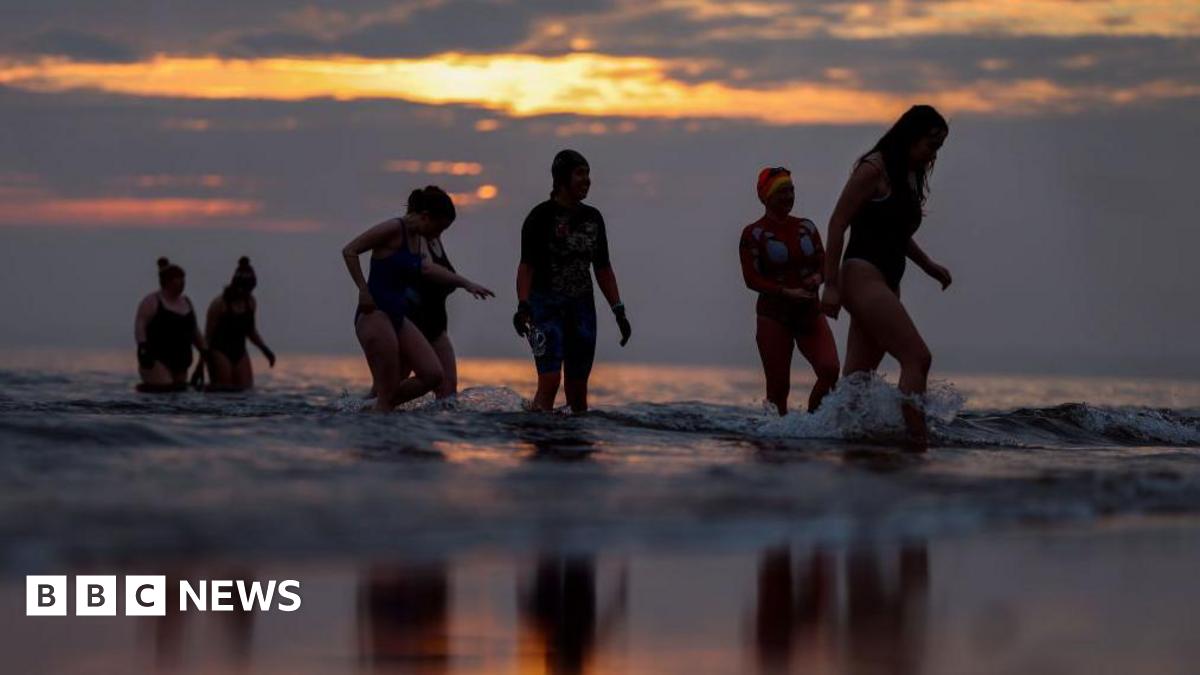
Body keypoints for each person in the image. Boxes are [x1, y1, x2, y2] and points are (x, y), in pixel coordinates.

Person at [820, 105, 952, 450]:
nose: (932, 154)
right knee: (917, 358)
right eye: (930, 145)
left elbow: (895, 232)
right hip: (861, 275)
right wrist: (830, 285)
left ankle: (833, 436)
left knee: (858, 380)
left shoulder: (907, 174)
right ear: (909, 136)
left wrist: (927, 265)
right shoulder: (873, 168)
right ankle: (917, 439)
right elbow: (838, 222)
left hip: (885, 280)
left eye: (938, 148)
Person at [342, 186, 493, 412]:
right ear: (425, 217)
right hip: (375, 315)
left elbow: (427, 269)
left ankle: (364, 408)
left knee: (433, 374)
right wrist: (363, 290)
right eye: (437, 228)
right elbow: (350, 251)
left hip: (398, 316)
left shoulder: (417, 238)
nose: (437, 236)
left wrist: (465, 283)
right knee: (387, 389)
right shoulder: (394, 228)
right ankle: (376, 436)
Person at [512, 149, 632, 413]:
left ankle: (575, 445)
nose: (587, 179)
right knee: (551, 380)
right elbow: (526, 266)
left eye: (588, 173)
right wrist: (523, 305)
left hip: (581, 310)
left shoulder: (593, 218)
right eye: (580, 173)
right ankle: (539, 443)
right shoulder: (539, 217)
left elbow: (602, 268)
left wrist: (618, 310)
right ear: (562, 178)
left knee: (578, 390)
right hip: (545, 307)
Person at [740, 167, 840, 415]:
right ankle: (774, 443)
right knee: (777, 390)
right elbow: (751, 279)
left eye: (791, 190)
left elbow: (824, 262)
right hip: (774, 318)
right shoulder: (753, 234)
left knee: (830, 370)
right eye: (782, 191)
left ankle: (812, 425)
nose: (788, 196)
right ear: (766, 196)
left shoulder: (806, 227)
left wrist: (818, 278)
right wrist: (785, 292)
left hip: (810, 314)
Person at [200, 257, 276, 392]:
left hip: (240, 350)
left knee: (246, 389)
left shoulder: (250, 302)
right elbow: (208, 337)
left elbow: (251, 331)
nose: (244, 292)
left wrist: (265, 350)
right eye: (242, 288)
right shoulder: (219, 304)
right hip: (219, 350)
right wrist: (201, 365)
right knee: (224, 390)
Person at [134, 257, 208, 392]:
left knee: (179, 395)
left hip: (181, 360)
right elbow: (140, 325)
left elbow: (194, 331)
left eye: (183, 279)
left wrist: (204, 352)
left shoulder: (186, 302)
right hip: (156, 359)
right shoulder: (152, 301)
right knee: (165, 391)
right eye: (178, 279)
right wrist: (143, 347)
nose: (182, 283)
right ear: (167, 281)